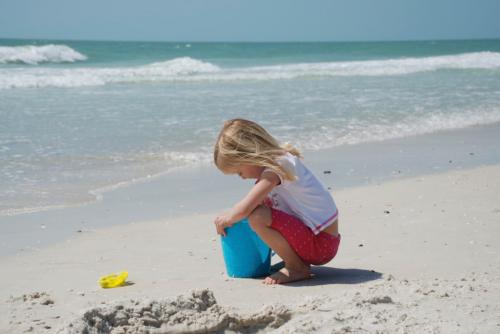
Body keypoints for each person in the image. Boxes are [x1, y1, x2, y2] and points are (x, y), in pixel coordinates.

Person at [213, 118, 340, 284]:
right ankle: (296, 261)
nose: (242, 177)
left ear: (249, 154)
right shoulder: (274, 170)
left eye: (239, 171)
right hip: (316, 240)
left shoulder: (279, 166)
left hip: (320, 243)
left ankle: (296, 267)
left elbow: (245, 209)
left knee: (257, 217)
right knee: (258, 211)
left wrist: (228, 218)